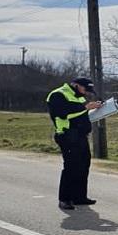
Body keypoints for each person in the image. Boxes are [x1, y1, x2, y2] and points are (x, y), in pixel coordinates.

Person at [46, 77, 102, 210]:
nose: (86, 93)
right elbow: (61, 113)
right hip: (67, 135)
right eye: (84, 89)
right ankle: (64, 199)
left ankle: (79, 197)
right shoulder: (58, 94)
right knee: (71, 167)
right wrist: (85, 107)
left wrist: (97, 110)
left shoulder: (79, 97)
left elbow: (81, 114)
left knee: (84, 165)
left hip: (81, 136)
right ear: (76, 85)